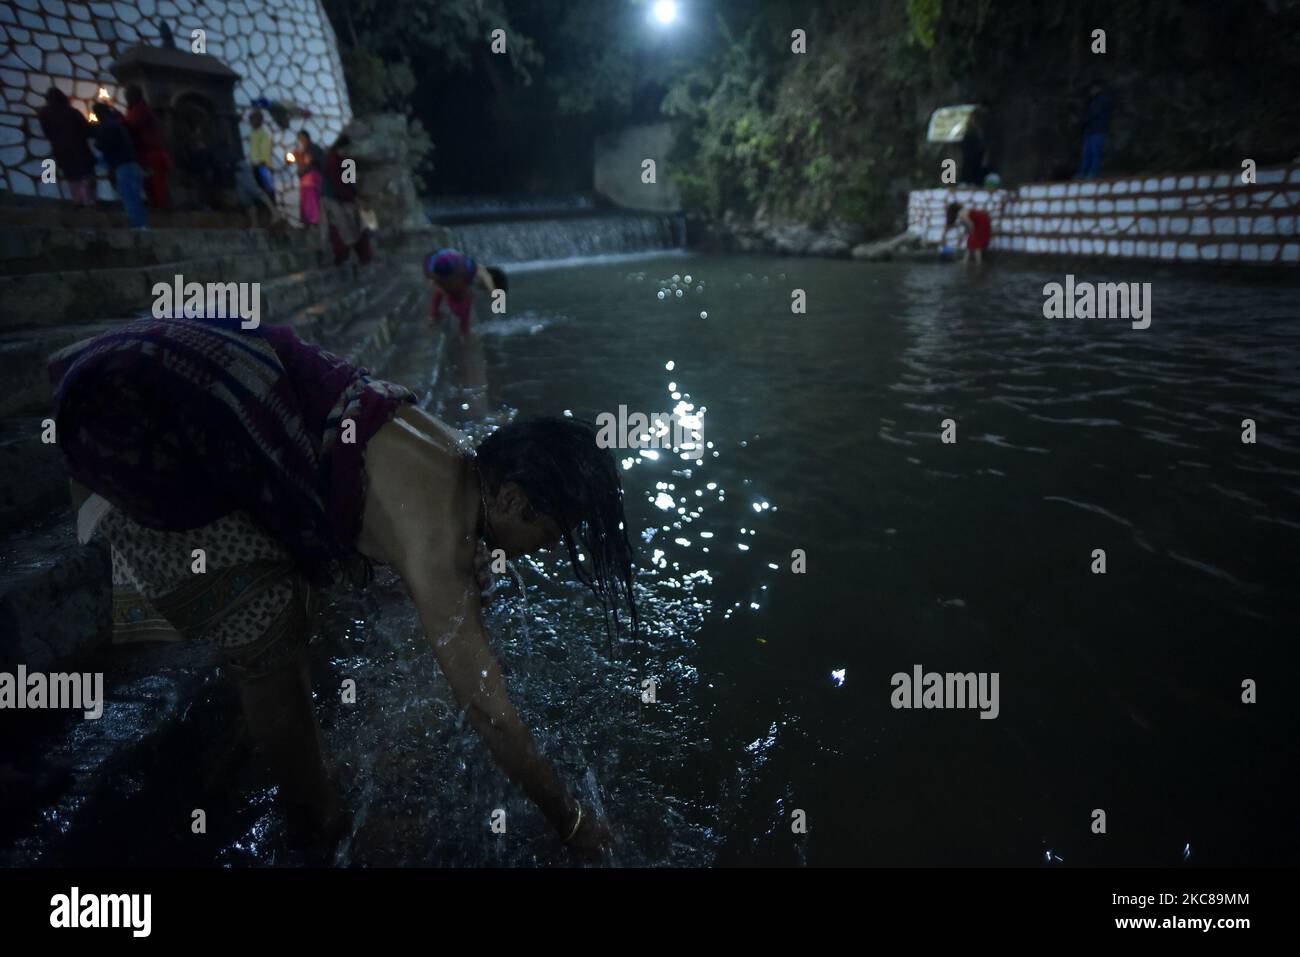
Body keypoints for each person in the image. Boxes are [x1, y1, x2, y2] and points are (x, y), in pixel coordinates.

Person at [46, 315, 632, 852]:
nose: (548, 551)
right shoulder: (439, 544)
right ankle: (312, 816)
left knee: (311, 582)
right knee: (269, 627)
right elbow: (489, 712)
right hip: (124, 412)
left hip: (162, 357)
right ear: (510, 498)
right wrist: (570, 818)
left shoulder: (454, 449)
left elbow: (373, 510)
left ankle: (308, 779)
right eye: (551, 534)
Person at [425, 248, 507, 338]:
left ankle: (433, 315)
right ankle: (464, 334)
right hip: (443, 266)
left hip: (434, 262)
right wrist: (494, 294)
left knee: (442, 287)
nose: (481, 289)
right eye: (483, 288)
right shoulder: (479, 271)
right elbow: (487, 278)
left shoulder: (469, 269)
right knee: (465, 302)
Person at [91, 102, 148, 229]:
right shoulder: (119, 124)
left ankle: (139, 227)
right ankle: (143, 225)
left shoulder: (106, 126)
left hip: (123, 166)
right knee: (136, 198)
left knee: (130, 199)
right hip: (133, 164)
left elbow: (103, 145)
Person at [37, 88, 97, 206]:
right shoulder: (72, 112)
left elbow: (47, 133)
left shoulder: (44, 114)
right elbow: (87, 130)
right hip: (80, 149)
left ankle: (78, 201)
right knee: (85, 175)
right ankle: (88, 201)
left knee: (72, 177)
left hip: (61, 152)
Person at [319, 135, 372, 266]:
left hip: (343, 199)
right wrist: (352, 198)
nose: (347, 152)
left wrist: (355, 197)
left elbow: (350, 183)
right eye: (345, 149)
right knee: (340, 227)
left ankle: (356, 256)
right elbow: (337, 184)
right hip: (331, 199)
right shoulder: (332, 161)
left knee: (356, 225)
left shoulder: (347, 162)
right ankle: (339, 256)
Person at [123, 84, 171, 210]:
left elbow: (132, 125)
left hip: (149, 152)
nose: (126, 97)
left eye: (128, 95)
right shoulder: (138, 110)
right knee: (151, 182)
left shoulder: (138, 111)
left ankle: (160, 206)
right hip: (146, 152)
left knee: (155, 182)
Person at [232, 157, 282, 229]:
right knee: (244, 197)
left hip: (244, 164)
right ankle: (255, 224)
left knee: (254, 190)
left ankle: (275, 213)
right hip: (235, 168)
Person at [1076, 83, 1113, 179]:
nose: (1091, 91)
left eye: (1093, 88)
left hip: (1098, 131)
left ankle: (1092, 174)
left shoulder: (1103, 100)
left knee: (1095, 153)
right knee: (1086, 154)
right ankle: (1083, 173)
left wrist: (1083, 120)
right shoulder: (1092, 101)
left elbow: (1094, 114)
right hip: (1090, 132)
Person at [295, 129, 323, 227]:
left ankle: (315, 220)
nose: (301, 140)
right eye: (299, 139)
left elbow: (310, 162)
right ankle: (307, 220)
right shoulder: (302, 151)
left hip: (313, 176)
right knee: (305, 199)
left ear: (307, 138)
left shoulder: (313, 148)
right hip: (305, 177)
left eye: (302, 138)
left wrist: (302, 170)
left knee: (312, 198)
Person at [247, 109, 275, 200]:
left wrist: (260, 164)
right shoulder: (252, 133)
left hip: (263, 167)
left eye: (253, 119)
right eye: (251, 119)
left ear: (259, 120)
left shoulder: (264, 134)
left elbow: (265, 153)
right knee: (259, 192)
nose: (251, 121)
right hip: (254, 167)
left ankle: (271, 211)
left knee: (268, 190)